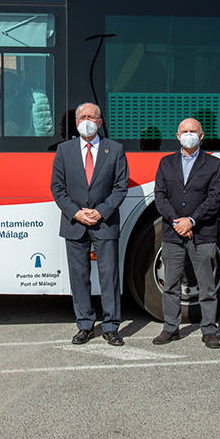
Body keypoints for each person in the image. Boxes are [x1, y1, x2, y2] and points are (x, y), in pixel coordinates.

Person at [50, 102, 129, 346]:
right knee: (79, 276)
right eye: (82, 116)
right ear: (76, 123)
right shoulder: (64, 150)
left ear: (100, 122)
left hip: (104, 223)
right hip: (75, 223)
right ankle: (84, 324)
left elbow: (120, 187)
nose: (87, 120)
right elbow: (58, 188)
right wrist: (76, 213)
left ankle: (111, 326)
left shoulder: (114, 150)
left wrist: (100, 212)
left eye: (92, 117)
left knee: (109, 276)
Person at [152, 118, 220, 349]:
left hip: (202, 234)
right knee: (171, 284)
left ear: (202, 136)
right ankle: (170, 328)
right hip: (173, 235)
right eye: (185, 131)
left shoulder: (214, 164)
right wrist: (177, 222)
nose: (189, 134)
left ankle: (209, 330)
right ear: (177, 135)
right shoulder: (166, 163)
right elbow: (160, 196)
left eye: (193, 131)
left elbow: (214, 199)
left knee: (206, 285)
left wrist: (191, 221)